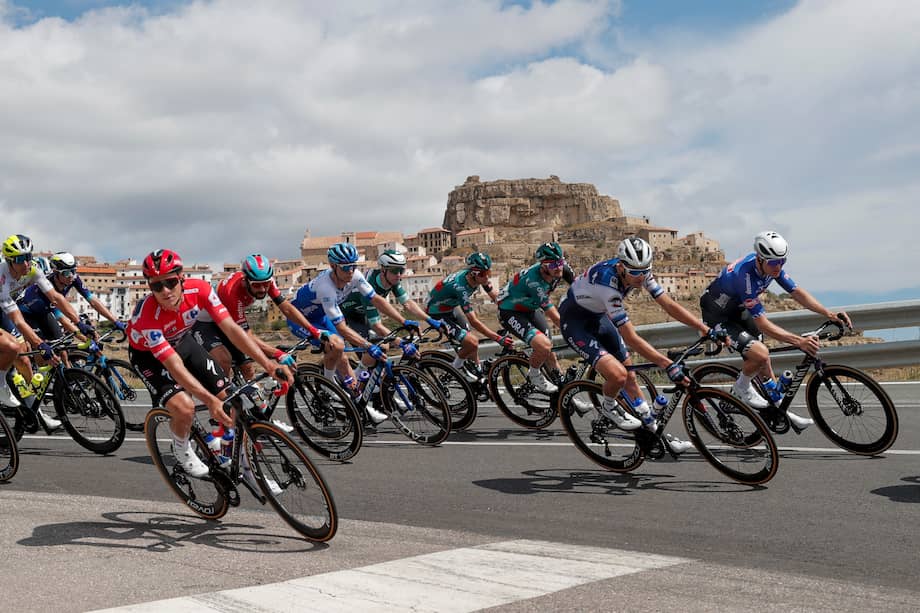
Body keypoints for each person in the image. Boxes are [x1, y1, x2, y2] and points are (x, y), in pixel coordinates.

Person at [127, 249, 290, 486]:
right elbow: (174, 366)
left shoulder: (201, 290)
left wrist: (269, 363)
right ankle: (181, 449)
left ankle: (246, 467)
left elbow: (232, 329)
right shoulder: (147, 316)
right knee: (185, 407)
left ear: (181, 278)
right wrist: (210, 400)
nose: (165, 291)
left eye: (170, 282)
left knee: (233, 400)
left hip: (183, 342)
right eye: (156, 285)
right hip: (148, 358)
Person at [559, 237, 719, 453]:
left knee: (631, 377)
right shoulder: (608, 285)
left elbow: (668, 305)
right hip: (575, 322)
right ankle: (608, 408)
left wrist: (703, 328)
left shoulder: (640, 271)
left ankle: (656, 435)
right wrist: (666, 364)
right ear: (621, 267)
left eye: (645, 271)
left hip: (598, 316)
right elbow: (631, 338)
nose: (640, 277)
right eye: (635, 272)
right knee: (618, 376)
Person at [700, 231, 851, 429]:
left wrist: (828, 314)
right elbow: (763, 324)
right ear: (760, 259)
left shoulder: (772, 267)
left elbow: (796, 292)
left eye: (782, 261)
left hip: (738, 310)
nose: (778, 267)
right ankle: (741, 388)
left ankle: (780, 411)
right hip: (717, 315)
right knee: (760, 354)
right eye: (773, 263)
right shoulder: (745, 276)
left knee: (764, 360)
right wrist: (799, 342)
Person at [192, 253, 330, 432]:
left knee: (248, 368)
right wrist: (276, 354)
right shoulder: (232, 292)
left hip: (228, 322)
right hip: (205, 324)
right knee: (224, 359)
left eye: (266, 284)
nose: (262, 289)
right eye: (257, 285)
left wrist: (314, 330)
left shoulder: (265, 282)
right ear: (245, 281)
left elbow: (287, 308)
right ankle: (220, 410)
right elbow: (246, 336)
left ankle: (260, 417)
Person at [287, 243, 420, 424]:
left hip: (321, 316)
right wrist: (368, 346)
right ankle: (328, 387)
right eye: (346, 267)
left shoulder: (355, 276)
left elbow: (376, 299)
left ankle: (359, 403)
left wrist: (404, 321)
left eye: (353, 266)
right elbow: (342, 328)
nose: (351, 271)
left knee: (343, 358)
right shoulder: (326, 287)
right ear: (333, 266)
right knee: (337, 346)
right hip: (299, 320)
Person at [0, 235, 94, 428]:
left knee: (25, 361)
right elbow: (17, 319)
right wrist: (40, 343)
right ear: (9, 261)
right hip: (6, 311)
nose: (26, 263)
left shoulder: (33, 269)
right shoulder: (2, 278)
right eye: (20, 259)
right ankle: (1, 386)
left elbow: (56, 298)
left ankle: (36, 413)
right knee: (14, 348)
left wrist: (79, 323)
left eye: (28, 256)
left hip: (4, 311)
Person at [495, 242, 575, 393]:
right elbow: (554, 316)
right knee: (544, 346)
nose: (558, 267)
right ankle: (534, 375)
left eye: (560, 262)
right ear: (543, 266)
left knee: (549, 353)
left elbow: (580, 291)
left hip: (530, 308)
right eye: (553, 265)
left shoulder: (561, 268)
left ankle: (565, 394)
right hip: (510, 312)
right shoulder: (533, 281)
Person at [426, 252, 512, 381]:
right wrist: (498, 338)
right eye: (483, 274)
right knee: (471, 342)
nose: (486, 277)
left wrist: (511, 309)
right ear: (472, 274)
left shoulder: (479, 276)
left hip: (450, 308)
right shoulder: (460, 288)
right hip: (435, 312)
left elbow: (496, 298)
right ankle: (456, 370)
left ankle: (477, 371)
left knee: (471, 342)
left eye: (488, 272)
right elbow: (473, 321)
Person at [17, 252, 125, 343]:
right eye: (66, 273)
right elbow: (63, 319)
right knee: (41, 347)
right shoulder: (47, 287)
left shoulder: (73, 278)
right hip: (26, 313)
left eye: (74, 271)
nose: (71, 276)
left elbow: (92, 300)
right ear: (56, 273)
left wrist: (115, 321)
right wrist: (86, 340)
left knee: (61, 347)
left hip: (44, 312)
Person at [338, 249, 443, 343]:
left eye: (401, 270)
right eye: (394, 270)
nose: (398, 275)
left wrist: (430, 320)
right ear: (383, 269)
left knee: (384, 346)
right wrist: (399, 342)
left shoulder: (392, 280)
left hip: (362, 314)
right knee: (371, 351)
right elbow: (376, 325)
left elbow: (408, 303)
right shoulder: (369, 287)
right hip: (346, 316)